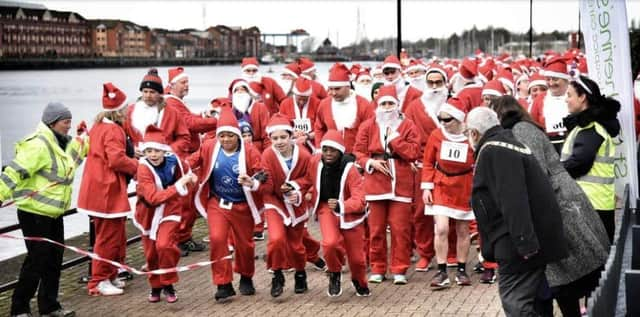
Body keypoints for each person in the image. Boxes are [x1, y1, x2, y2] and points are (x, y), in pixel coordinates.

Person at [491, 95, 610, 317]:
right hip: (561, 202)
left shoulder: (522, 130)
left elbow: (537, 171)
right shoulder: (524, 128)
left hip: (560, 205)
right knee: (572, 275)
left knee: (573, 273)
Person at [466, 107, 568, 317]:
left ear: (474, 133)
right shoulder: (507, 144)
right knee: (534, 302)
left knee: (516, 303)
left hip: (518, 244)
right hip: (529, 239)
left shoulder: (495, 149)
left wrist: (524, 243)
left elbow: (512, 199)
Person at [2, 102, 86, 317]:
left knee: (54, 260)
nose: (69, 126)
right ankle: (19, 310)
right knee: (36, 262)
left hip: (54, 214)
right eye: (66, 122)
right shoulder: (38, 145)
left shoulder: (60, 144)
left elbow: (74, 159)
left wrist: (86, 137)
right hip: (34, 214)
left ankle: (49, 306)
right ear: (53, 122)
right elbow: (14, 172)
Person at [189, 108, 270, 302]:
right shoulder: (209, 146)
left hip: (242, 205)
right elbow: (189, 161)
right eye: (222, 135)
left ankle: (246, 276)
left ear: (237, 135)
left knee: (245, 245)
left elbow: (264, 175)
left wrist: (253, 181)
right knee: (217, 239)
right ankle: (223, 283)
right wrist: (188, 171)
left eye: (230, 135)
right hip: (217, 203)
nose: (226, 140)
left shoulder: (249, 150)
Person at [354, 85, 421, 285]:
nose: (387, 107)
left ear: (397, 104)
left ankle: (399, 269)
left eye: (391, 103)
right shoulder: (367, 125)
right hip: (376, 181)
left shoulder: (408, 125)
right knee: (376, 229)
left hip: (400, 180)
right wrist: (370, 163)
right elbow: (358, 151)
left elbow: (413, 153)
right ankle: (378, 267)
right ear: (377, 105)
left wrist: (395, 139)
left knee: (400, 228)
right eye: (383, 103)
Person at [78, 83, 139, 296]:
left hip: (96, 189)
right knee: (108, 238)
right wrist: (138, 167)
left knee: (113, 235)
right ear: (119, 111)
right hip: (106, 191)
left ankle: (110, 275)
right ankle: (99, 281)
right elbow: (116, 159)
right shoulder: (113, 130)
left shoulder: (98, 127)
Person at [298, 130, 369, 297]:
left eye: (332, 150)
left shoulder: (351, 169)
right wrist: (294, 188)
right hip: (326, 209)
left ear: (340, 151)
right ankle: (334, 273)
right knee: (329, 243)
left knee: (357, 259)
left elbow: (360, 198)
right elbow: (307, 180)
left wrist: (342, 205)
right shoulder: (316, 162)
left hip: (350, 215)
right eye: (325, 149)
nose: (328, 154)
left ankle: (359, 281)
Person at [133, 126, 198, 304]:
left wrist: (191, 180)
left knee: (164, 246)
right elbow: (153, 198)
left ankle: (168, 283)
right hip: (148, 213)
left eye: (157, 150)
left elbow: (188, 176)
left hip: (170, 210)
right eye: (149, 151)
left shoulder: (174, 160)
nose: (153, 154)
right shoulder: (143, 168)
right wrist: (179, 186)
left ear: (164, 150)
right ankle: (155, 286)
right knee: (151, 254)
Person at [422, 97, 474, 289]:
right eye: (440, 119)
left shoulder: (471, 136)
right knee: (441, 228)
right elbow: (427, 162)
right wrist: (426, 186)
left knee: (462, 229)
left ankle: (461, 269)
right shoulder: (436, 135)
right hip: (441, 184)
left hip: (464, 185)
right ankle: (441, 270)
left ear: (459, 119)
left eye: (447, 119)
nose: (442, 123)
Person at [561, 74, 620, 243]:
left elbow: (580, 163)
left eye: (570, 95)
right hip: (595, 204)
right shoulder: (590, 126)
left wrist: (554, 171)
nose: (566, 99)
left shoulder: (591, 128)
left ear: (582, 97)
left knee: (594, 264)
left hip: (589, 205)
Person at [164, 66, 214, 256]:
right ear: (172, 85)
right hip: (181, 158)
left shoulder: (175, 102)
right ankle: (178, 239)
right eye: (183, 83)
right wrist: (218, 121)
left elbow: (191, 118)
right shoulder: (172, 103)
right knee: (183, 201)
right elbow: (190, 123)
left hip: (186, 157)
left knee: (189, 201)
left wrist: (204, 116)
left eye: (187, 83)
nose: (187, 86)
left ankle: (184, 237)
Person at [404, 64, 449, 272]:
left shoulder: (454, 103)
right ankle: (425, 253)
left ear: (445, 83)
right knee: (422, 211)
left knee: (453, 209)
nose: (434, 87)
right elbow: (406, 133)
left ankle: (452, 252)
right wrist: (411, 157)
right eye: (430, 82)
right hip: (423, 164)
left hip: (451, 166)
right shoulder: (414, 106)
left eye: (438, 82)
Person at [261, 115, 311, 297]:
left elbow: (309, 177)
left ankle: (300, 273)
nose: (279, 142)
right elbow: (266, 184)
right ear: (270, 139)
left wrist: (295, 187)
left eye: (283, 137)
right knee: (276, 239)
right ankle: (277, 273)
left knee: (296, 246)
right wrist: (257, 183)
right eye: (275, 138)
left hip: (295, 202)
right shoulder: (267, 155)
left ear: (291, 136)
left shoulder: (304, 155)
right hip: (274, 202)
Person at [123, 68, 190, 159]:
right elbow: (120, 135)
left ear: (160, 94)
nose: (148, 96)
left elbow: (184, 138)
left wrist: (169, 150)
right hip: (137, 161)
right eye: (145, 91)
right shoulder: (130, 111)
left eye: (152, 92)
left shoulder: (172, 113)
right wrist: (131, 149)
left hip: (165, 161)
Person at [314, 63, 374, 154]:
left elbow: (371, 132)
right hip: (332, 156)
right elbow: (319, 128)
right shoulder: (324, 104)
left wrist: (363, 156)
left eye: (337, 89)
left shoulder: (363, 104)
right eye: (330, 89)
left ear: (348, 86)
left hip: (357, 155)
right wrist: (319, 148)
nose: (333, 93)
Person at [530, 56, 572, 152]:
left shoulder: (574, 95)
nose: (551, 83)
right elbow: (532, 125)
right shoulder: (540, 99)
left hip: (572, 147)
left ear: (565, 80)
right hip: (548, 150)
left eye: (555, 79)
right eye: (548, 79)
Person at [278, 77, 321, 153]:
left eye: (305, 99)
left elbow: (321, 128)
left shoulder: (317, 103)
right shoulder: (285, 104)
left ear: (309, 96)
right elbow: (281, 126)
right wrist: (293, 134)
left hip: (313, 141)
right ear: (294, 94)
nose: (302, 102)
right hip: (292, 140)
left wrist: (308, 136)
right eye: (299, 99)